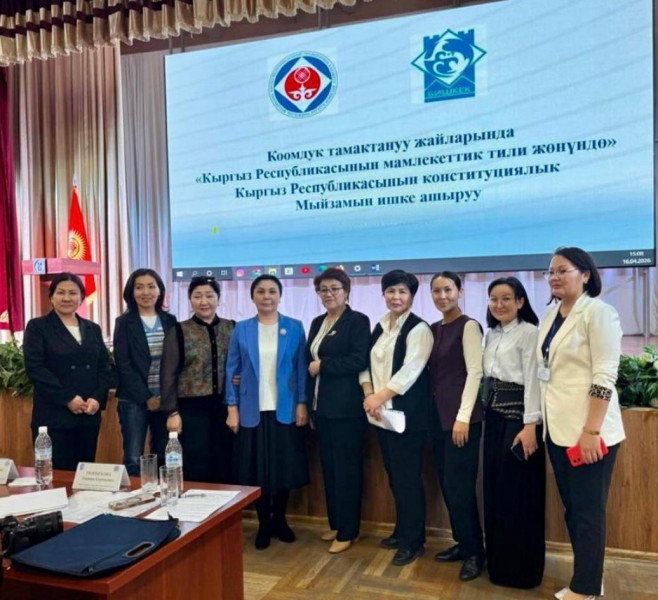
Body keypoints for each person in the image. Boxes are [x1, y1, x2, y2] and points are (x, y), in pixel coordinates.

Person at [538, 247, 624, 600]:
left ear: (585, 274)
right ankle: (590, 576)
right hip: (558, 430)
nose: (555, 277)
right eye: (551, 272)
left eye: (563, 270)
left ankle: (585, 588)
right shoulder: (551, 314)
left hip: (590, 432)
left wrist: (591, 431)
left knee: (588, 512)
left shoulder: (599, 313)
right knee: (573, 510)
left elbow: (604, 376)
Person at [225, 274, 309, 550]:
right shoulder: (242, 329)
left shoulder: (294, 327)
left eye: (272, 291)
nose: (267, 296)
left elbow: (300, 368)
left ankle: (280, 520)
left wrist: (302, 402)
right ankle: (264, 523)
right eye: (260, 291)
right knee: (258, 471)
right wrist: (232, 408)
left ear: (280, 295)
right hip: (252, 410)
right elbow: (232, 369)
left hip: (285, 409)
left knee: (283, 469)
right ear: (253, 296)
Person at [360, 270, 433, 567]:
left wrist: (378, 398)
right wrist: (369, 395)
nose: (396, 297)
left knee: (408, 480)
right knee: (395, 477)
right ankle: (402, 531)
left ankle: (414, 541)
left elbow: (410, 372)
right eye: (391, 291)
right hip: (380, 416)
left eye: (403, 292)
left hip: (407, 419)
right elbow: (365, 365)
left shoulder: (419, 329)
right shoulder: (380, 326)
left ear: (412, 296)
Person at [482, 276, 545, 588]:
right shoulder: (491, 333)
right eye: (494, 299)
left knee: (517, 495)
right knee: (495, 491)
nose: (499, 304)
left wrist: (531, 425)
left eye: (506, 298)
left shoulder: (530, 333)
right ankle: (498, 565)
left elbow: (534, 380)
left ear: (520, 302)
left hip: (519, 422)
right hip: (494, 420)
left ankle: (522, 571)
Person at [306, 267, 370, 554]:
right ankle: (336, 523)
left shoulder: (357, 321)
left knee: (347, 472)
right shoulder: (318, 322)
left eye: (335, 288)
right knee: (330, 470)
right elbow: (308, 362)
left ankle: (348, 531)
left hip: (346, 410)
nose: (329, 294)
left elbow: (358, 360)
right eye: (323, 289)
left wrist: (324, 365)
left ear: (346, 291)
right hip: (322, 408)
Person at [428, 271, 485, 581]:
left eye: (448, 289)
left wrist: (462, 417)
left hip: (462, 422)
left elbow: (475, 373)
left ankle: (476, 553)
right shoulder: (435, 328)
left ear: (459, 291)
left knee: (461, 488)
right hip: (438, 420)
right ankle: (463, 543)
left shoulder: (469, 326)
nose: (442, 296)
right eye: (436, 291)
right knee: (449, 486)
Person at [23, 273, 110, 470]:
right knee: (55, 476)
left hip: (88, 415)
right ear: (51, 296)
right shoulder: (38, 327)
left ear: (81, 297)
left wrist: (97, 398)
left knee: (84, 475)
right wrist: (68, 398)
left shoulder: (93, 328)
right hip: (54, 416)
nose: (67, 298)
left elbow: (104, 367)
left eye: (73, 293)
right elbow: (36, 369)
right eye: (61, 292)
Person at [160, 276, 235, 483]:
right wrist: (172, 412)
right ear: (190, 300)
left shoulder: (232, 327)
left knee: (224, 462)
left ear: (218, 298)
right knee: (196, 463)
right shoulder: (179, 331)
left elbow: (239, 365)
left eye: (209, 296)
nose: (204, 301)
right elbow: (168, 374)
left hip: (224, 408)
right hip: (191, 409)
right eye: (197, 296)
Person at [113, 268, 176, 476]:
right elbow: (123, 364)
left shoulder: (170, 321)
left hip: (165, 399)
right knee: (133, 457)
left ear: (160, 291)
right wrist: (146, 397)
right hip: (134, 399)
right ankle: (135, 495)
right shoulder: (124, 323)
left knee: (164, 454)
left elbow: (175, 361)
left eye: (151, 287)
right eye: (139, 287)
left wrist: (164, 396)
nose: (146, 292)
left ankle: (160, 493)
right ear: (131, 292)